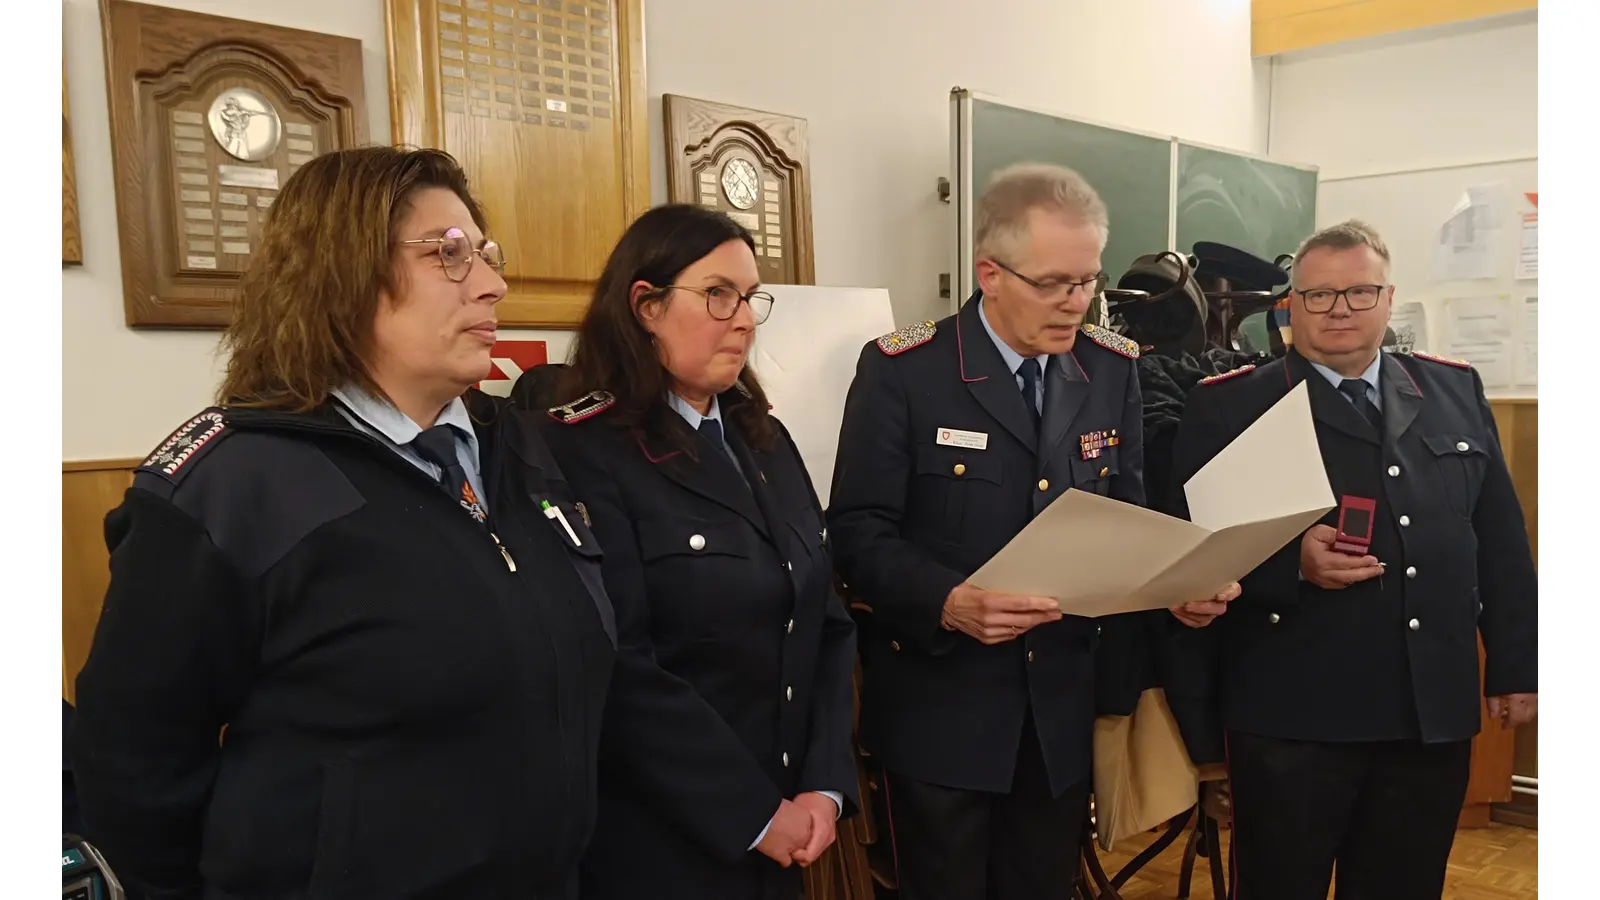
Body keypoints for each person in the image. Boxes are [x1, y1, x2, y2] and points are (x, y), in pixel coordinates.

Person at [68, 147, 617, 900]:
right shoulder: (231, 486)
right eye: (449, 255)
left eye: (485, 254)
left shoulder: (516, 448)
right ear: (342, 273)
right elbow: (134, 773)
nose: (493, 284)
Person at [826, 162, 1237, 900]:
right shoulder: (907, 371)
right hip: (939, 712)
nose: (1077, 303)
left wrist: (1175, 587)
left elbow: (1125, 521)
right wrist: (949, 600)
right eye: (1054, 283)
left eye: (1088, 281)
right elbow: (857, 533)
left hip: (1057, 713)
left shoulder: (1110, 369)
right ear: (990, 272)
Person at [1165, 220, 1538, 900]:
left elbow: (1500, 541)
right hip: (1293, 716)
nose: (1341, 309)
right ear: (1291, 307)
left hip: (1427, 713)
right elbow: (1188, 560)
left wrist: (1517, 664)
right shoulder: (1232, 407)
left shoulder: (1453, 389)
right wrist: (1288, 567)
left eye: (1360, 292)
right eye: (1320, 295)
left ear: (1389, 298)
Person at [538, 204, 859, 900]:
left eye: (750, 298)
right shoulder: (579, 451)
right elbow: (619, 665)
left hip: (789, 831)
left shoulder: (763, 440)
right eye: (718, 295)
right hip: (662, 843)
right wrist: (751, 812)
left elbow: (825, 621)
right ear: (645, 306)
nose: (743, 318)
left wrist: (825, 786)